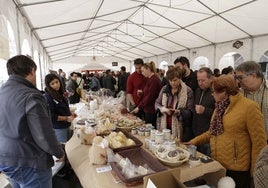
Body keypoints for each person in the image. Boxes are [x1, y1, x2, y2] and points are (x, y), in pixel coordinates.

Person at [187, 75, 267, 188]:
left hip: (237, 168)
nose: (212, 94)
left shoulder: (249, 107)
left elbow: (259, 143)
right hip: (219, 164)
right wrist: (193, 142)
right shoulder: (219, 107)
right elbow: (212, 132)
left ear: (224, 91)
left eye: (214, 91)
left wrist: (255, 173)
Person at [0, 55, 65, 188]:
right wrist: (59, 152)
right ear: (32, 71)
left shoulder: (2, 92)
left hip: (5, 158)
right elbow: (43, 134)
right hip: (29, 160)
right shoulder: (31, 96)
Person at [155, 67, 194, 141]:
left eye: (175, 80)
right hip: (165, 125)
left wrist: (178, 112)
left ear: (180, 78)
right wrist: (163, 109)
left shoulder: (187, 91)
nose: (173, 83)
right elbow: (157, 103)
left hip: (180, 127)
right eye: (170, 80)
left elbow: (190, 111)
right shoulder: (164, 89)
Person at [235, 61, 268, 140]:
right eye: (236, 78)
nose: (237, 81)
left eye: (240, 77)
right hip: (245, 142)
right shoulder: (237, 94)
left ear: (253, 75)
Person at [44, 73, 76, 143]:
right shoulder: (48, 97)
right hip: (58, 128)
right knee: (62, 149)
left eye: (57, 82)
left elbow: (62, 108)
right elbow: (51, 115)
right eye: (52, 84)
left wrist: (70, 113)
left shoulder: (59, 93)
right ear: (48, 85)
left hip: (66, 125)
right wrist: (66, 118)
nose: (56, 85)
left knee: (68, 146)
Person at [192, 67, 215, 156]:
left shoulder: (215, 91)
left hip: (208, 134)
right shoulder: (198, 91)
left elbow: (221, 114)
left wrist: (205, 110)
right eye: (198, 80)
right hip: (197, 132)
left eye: (203, 80)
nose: (200, 83)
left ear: (210, 78)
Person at [132, 62, 162, 127]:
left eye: (143, 71)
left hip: (152, 109)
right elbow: (148, 93)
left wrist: (139, 107)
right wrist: (142, 93)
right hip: (148, 108)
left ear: (148, 69)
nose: (142, 73)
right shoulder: (150, 79)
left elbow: (150, 96)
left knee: (150, 127)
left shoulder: (154, 80)